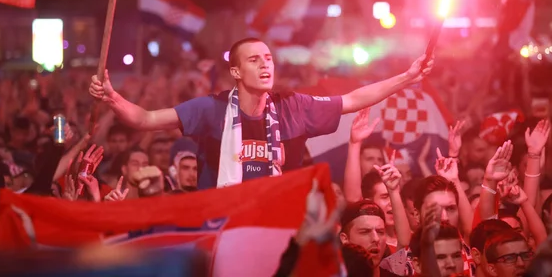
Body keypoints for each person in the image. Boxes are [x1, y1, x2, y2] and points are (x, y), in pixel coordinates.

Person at [89, 38, 433, 188]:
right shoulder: (212, 109)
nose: (266, 64)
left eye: (268, 58)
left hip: (274, 227)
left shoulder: (293, 106)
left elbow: (354, 99)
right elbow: (145, 120)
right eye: (254, 60)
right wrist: (113, 98)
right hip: (221, 226)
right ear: (236, 72)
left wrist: (408, 76)